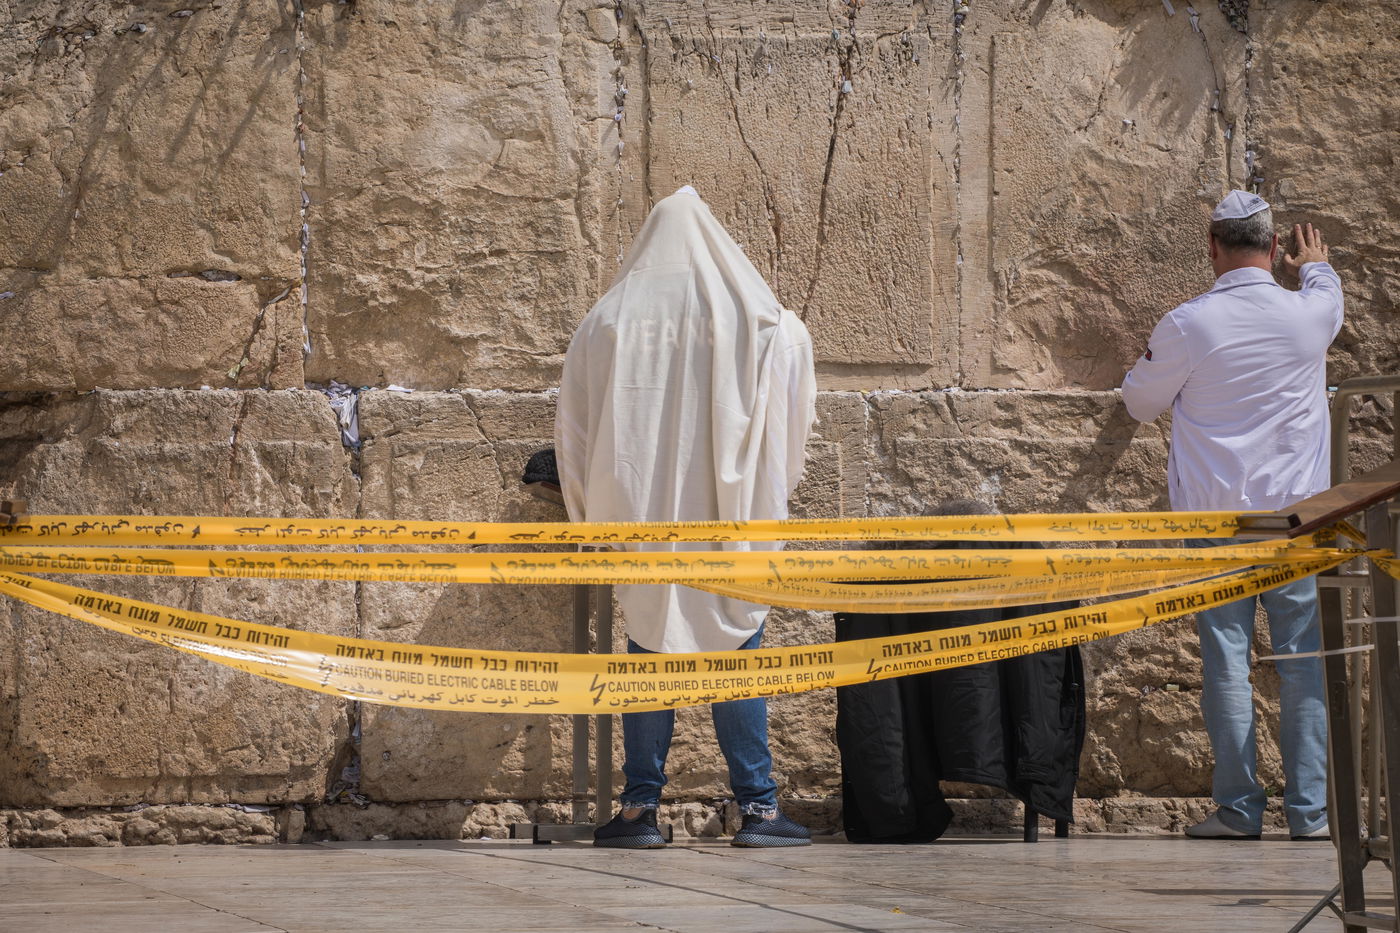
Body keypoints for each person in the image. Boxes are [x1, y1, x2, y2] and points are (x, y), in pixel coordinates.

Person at [555, 186, 817, 849]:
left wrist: (592, 520)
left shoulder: (608, 319)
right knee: (738, 649)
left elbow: (576, 434)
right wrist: (766, 496)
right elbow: (792, 423)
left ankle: (640, 810)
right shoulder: (765, 321)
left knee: (648, 647)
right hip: (731, 522)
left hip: (641, 519)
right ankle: (758, 809)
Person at [1121, 190, 1343, 841]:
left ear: (1211, 247)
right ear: (1274, 248)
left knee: (1226, 662)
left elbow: (1139, 403)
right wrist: (1316, 264)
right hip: (1301, 523)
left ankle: (1240, 809)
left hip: (1218, 531)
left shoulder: (1190, 324)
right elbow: (1327, 289)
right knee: (1304, 662)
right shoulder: (1310, 314)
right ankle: (1311, 813)